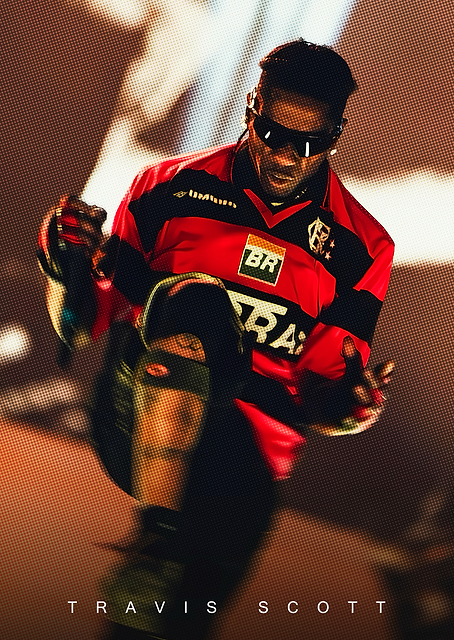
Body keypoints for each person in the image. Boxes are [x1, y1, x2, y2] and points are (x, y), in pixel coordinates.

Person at [37, 40, 394, 640]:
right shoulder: (166, 187)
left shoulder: (363, 247)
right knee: (198, 304)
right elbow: (79, 323)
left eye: (309, 143)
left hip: (244, 458)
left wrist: (351, 411)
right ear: (252, 108)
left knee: (166, 625)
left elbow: (322, 401)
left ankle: (155, 581)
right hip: (135, 410)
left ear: (336, 136)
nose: (287, 156)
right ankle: (156, 535)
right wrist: (62, 263)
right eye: (274, 133)